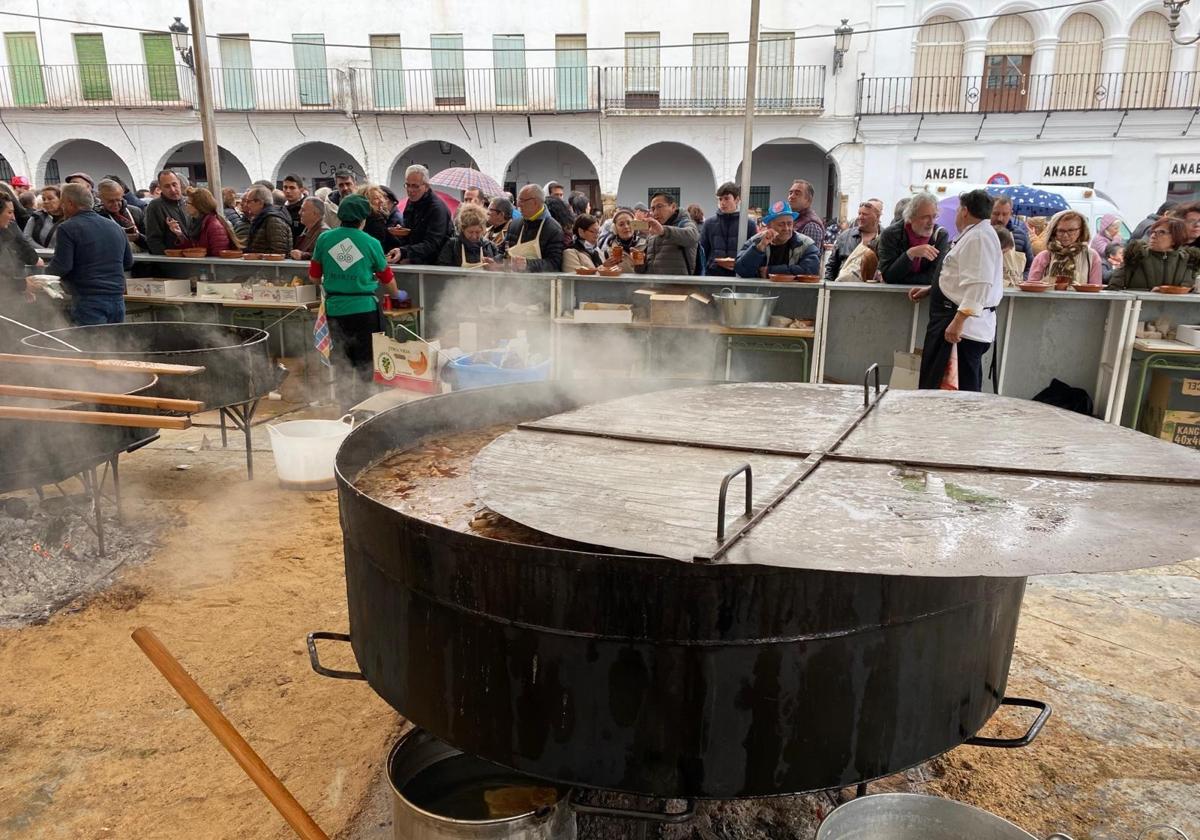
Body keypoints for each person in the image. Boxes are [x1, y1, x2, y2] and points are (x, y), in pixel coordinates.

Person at [308, 194, 398, 410]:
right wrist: (398, 295)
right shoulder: (371, 243)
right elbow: (388, 281)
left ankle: (345, 411)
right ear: (363, 219)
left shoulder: (324, 239)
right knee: (367, 365)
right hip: (365, 312)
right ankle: (367, 411)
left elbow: (313, 276)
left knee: (342, 364)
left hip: (335, 310)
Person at [909, 190, 1003, 392]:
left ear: (965, 211)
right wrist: (932, 289)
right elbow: (960, 276)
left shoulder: (980, 237)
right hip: (954, 318)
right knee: (941, 386)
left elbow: (980, 284)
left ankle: (959, 424)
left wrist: (959, 321)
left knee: (961, 389)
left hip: (964, 328)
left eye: (959, 208)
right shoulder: (975, 234)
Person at [46, 183, 133, 325]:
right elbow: (128, 263)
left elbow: (62, 266)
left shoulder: (67, 228)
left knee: (93, 345)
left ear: (70, 203)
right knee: (117, 345)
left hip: (88, 300)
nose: (61, 207)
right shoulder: (116, 228)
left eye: (62, 203)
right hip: (117, 299)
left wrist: (41, 276)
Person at [876, 191, 950, 286]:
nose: (931, 222)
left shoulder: (940, 235)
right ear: (911, 217)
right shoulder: (891, 234)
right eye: (925, 217)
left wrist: (901, 279)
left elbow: (934, 277)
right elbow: (889, 276)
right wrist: (910, 254)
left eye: (934, 216)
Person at [1109, 217, 1200, 291]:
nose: (1153, 236)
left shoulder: (1189, 262)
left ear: (1176, 237)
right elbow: (1114, 288)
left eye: (1161, 232)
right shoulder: (1136, 257)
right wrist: (1150, 294)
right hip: (1138, 310)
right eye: (1153, 232)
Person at [0, 192, 43, 349]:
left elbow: (12, 264)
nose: (13, 218)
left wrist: (22, 285)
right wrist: (22, 284)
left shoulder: (6, 231)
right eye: (9, 212)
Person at [734, 200, 819, 278]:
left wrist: (769, 271)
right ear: (769, 226)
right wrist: (759, 247)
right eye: (781, 224)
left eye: (789, 224)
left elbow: (811, 270)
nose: (786, 228)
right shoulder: (756, 241)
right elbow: (741, 270)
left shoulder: (806, 244)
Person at [391, 164, 450, 265]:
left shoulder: (437, 208)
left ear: (426, 187)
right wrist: (401, 231)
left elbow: (432, 244)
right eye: (407, 185)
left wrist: (405, 252)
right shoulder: (411, 202)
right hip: (415, 261)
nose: (410, 190)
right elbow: (410, 232)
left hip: (436, 264)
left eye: (415, 186)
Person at [1027, 211, 1101, 286]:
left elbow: (1095, 290)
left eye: (1071, 230)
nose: (1065, 235)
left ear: (1081, 231)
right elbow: (1032, 288)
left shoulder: (1091, 257)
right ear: (1054, 231)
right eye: (1061, 231)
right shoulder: (1043, 257)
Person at [501, 184, 563, 272]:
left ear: (535, 202)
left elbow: (554, 264)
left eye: (522, 200)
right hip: (512, 283)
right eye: (518, 200)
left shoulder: (553, 229)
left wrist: (528, 264)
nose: (518, 205)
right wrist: (495, 261)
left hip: (540, 283)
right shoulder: (514, 224)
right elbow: (503, 251)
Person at [700, 182, 757, 277]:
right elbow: (703, 252)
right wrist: (712, 264)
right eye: (720, 199)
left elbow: (753, 253)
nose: (722, 203)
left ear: (737, 199)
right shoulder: (709, 224)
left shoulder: (748, 224)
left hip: (739, 276)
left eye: (726, 198)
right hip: (714, 275)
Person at [172, 187, 242, 256]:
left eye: (188, 203)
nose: (185, 205)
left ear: (198, 206)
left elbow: (219, 255)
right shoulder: (196, 223)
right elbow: (193, 249)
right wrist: (180, 234)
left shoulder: (214, 226)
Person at [641, 192, 699, 276]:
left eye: (659, 206)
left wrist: (663, 231)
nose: (655, 212)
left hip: (678, 286)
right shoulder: (653, 230)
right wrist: (639, 261)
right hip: (652, 286)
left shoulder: (685, 223)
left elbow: (693, 237)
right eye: (653, 209)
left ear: (673, 207)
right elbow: (648, 266)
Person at [824, 200, 882, 281]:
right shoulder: (845, 236)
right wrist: (828, 285)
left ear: (877, 217)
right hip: (842, 288)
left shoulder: (884, 238)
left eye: (865, 214)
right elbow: (831, 265)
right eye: (859, 213)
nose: (860, 217)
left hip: (871, 290)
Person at [144, 170, 194, 254]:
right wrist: (166, 257)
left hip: (194, 255)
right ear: (160, 188)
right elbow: (153, 239)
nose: (173, 189)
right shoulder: (155, 206)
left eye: (174, 184)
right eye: (167, 186)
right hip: (171, 259)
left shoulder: (189, 202)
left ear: (179, 183)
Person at [436, 202, 499, 269]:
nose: (474, 236)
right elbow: (442, 269)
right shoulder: (452, 245)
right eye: (470, 232)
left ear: (483, 229)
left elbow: (499, 271)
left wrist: (494, 266)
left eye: (478, 232)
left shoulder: (490, 247)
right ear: (463, 229)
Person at [96, 178, 147, 252]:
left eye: (118, 200)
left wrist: (137, 237)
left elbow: (150, 241)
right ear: (101, 198)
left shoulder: (135, 212)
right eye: (110, 201)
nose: (115, 204)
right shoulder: (96, 217)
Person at [240, 184, 293, 255]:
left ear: (260, 202)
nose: (246, 205)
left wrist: (256, 256)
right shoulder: (262, 218)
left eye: (249, 201)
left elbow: (279, 252)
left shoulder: (273, 220)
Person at [990, 195, 1032, 278]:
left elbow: (1030, 266)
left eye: (1005, 214)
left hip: (1013, 288)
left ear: (1011, 214)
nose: (1000, 218)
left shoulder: (1021, 235)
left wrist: (1021, 279)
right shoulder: (981, 235)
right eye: (996, 213)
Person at [597, 208, 647, 273]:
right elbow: (599, 274)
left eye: (629, 223)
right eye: (621, 224)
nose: (626, 227)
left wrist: (643, 263)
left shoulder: (645, 245)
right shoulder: (608, 249)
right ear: (615, 228)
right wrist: (604, 267)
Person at [362, 184, 404, 252]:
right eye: (376, 198)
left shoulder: (380, 217)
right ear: (368, 200)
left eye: (381, 197)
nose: (382, 201)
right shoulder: (375, 219)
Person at [787, 179, 826, 244]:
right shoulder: (794, 218)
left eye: (797, 194)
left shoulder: (811, 225)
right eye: (790, 193)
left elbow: (809, 253)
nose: (791, 196)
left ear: (808, 200)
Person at [281, 174, 308, 239]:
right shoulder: (280, 207)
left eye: (292, 188)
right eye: (285, 187)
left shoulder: (308, 207)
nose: (288, 191)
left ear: (301, 190)